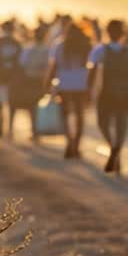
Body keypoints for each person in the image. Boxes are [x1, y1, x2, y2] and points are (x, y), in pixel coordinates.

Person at [88, 19, 128, 174]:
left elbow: (92, 71)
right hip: (125, 93)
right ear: (122, 33)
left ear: (107, 32)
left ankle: (113, 148)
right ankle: (116, 150)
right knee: (121, 126)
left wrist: (88, 91)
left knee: (102, 123)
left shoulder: (100, 50)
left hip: (106, 92)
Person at [46, 22, 93, 159]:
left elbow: (53, 66)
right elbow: (91, 68)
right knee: (80, 116)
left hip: (64, 84)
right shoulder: (86, 46)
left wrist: (47, 83)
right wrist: (90, 87)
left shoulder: (59, 45)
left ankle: (69, 141)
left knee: (65, 115)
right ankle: (76, 145)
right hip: (81, 84)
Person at [14, 23, 52, 141]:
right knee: (36, 105)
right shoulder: (47, 50)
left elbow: (21, 65)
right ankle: (36, 131)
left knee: (32, 106)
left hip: (30, 80)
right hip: (42, 81)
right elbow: (50, 66)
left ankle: (35, 130)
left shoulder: (28, 49)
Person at [0, 19, 23, 139]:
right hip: (12, 76)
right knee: (11, 102)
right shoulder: (17, 43)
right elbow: (20, 62)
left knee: (0, 102)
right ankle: (10, 127)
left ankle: (1, 124)